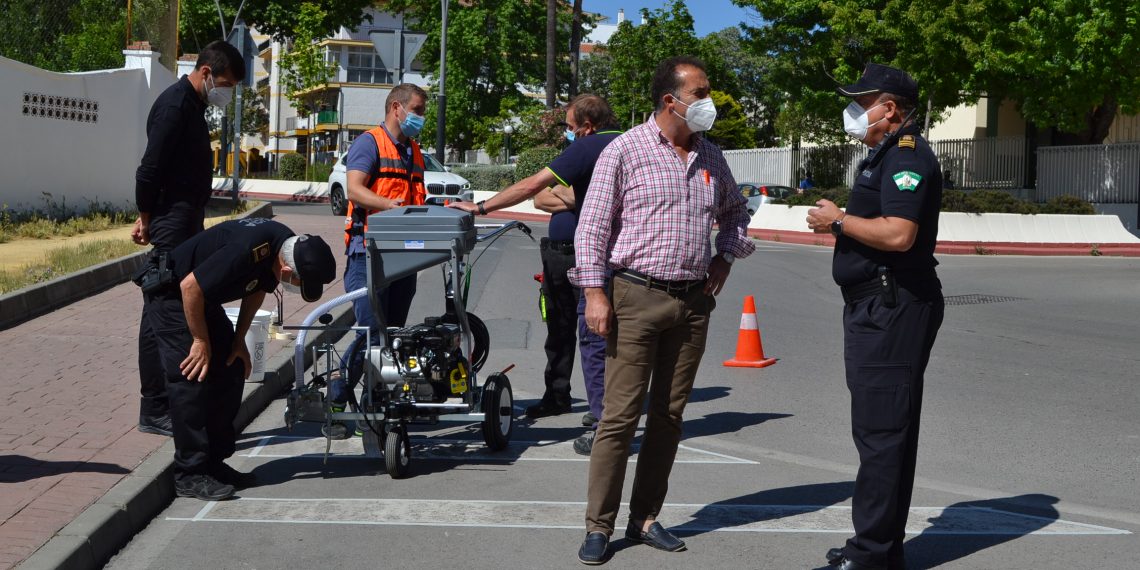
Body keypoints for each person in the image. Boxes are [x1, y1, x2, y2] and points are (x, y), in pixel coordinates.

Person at [569, 56, 755, 565]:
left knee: (669, 417)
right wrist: (594, 293)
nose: (710, 102)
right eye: (701, 92)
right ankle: (599, 525)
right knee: (619, 416)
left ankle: (645, 517)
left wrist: (724, 258)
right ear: (671, 101)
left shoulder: (711, 157)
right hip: (634, 295)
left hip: (693, 303)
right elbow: (592, 228)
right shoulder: (624, 150)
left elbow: (737, 215)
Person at [805, 63, 945, 570]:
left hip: (892, 305)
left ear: (890, 109)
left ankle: (872, 555)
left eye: (862, 102)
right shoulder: (885, 155)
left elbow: (898, 234)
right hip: (876, 305)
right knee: (881, 429)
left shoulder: (907, 157)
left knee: (882, 433)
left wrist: (838, 220)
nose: (855, 111)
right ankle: (879, 548)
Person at [451, 95, 621, 450]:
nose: (569, 134)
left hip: (590, 256)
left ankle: (605, 419)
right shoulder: (630, 143)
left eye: (572, 127)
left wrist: (481, 206)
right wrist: (578, 197)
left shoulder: (589, 147)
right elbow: (542, 198)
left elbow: (531, 187)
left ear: (587, 127)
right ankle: (579, 401)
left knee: (592, 336)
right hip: (585, 255)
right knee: (577, 331)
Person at [148, 218, 336, 500]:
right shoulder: (248, 249)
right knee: (193, 378)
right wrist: (200, 341)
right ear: (285, 270)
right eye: (299, 283)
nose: (297, 288)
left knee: (232, 366)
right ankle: (189, 474)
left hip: (202, 298)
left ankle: (214, 463)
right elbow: (190, 287)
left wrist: (238, 341)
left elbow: (258, 288)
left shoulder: (284, 246)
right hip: (174, 294)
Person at [133, 40, 245, 437]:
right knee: (164, 310)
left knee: (155, 311)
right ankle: (158, 406)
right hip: (172, 221)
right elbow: (149, 170)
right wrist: (147, 217)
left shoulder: (193, 106)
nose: (227, 93)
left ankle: (156, 405)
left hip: (183, 218)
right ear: (206, 72)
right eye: (227, 84)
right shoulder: (175, 105)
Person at [328, 84, 429, 438]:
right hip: (367, 253)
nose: (421, 117)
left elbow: (417, 197)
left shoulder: (413, 150)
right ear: (396, 107)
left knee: (393, 337)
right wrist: (389, 206)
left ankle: (373, 406)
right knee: (370, 333)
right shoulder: (370, 143)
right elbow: (355, 189)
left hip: (403, 254)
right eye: (417, 109)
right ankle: (336, 404)